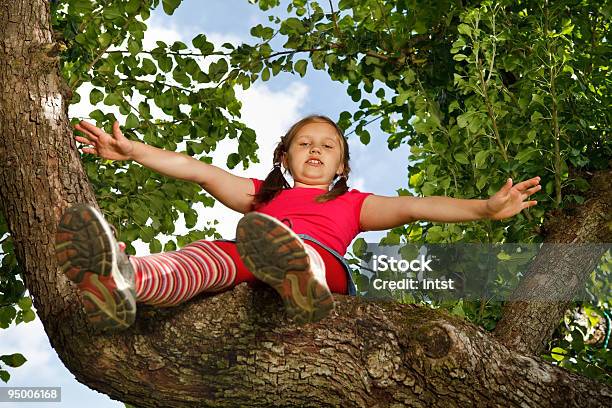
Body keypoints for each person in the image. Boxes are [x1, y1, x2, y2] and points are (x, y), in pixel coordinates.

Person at [55, 115, 541, 331]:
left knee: (294, 249)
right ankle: (125, 279)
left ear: (341, 166)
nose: (316, 150)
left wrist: (484, 209)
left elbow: (417, 205)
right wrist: (132, 151)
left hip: (320, 266)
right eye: (305, 143)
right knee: (210, 254)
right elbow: (199, 171)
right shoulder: (261, 195)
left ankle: (299, 280)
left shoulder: (356, 204)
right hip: (253, 254)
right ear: (286, 156)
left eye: (328, 146)